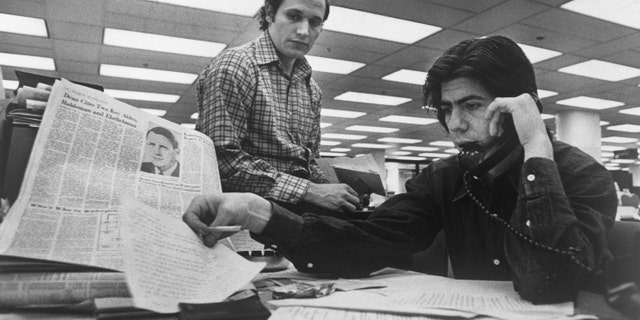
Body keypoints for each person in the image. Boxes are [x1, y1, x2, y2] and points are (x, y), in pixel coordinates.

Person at [183, 35, 617, 303]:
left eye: (471, 105)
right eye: (447, 109)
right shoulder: (446, 179)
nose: (455, 124)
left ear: (518, 105)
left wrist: (536, 147)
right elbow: (367, 242)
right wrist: (261, 213)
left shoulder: (584, 177)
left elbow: (548, 283)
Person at [195, 0, 360, 214]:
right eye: (294, 16)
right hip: (244, 214)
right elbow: (222, 162)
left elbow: (309, 162)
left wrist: (340, 189)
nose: (303, 31)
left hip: (296, 213)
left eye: (314, 22)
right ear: (269, 14)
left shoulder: (311, 88)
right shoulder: (236, 66)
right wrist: (309, 190)